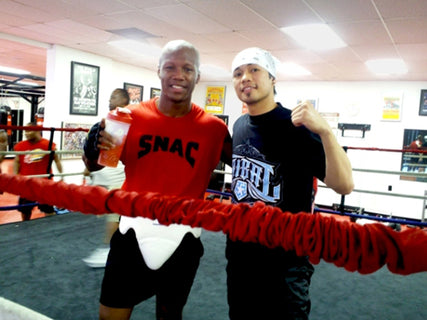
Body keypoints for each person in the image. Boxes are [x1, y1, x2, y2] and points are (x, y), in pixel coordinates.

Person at [82, 40, 232, 320]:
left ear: (198, 76)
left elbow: (250, 167)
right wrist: (89, 150)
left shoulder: (215, 129)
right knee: (109, 315)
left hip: (184, 237)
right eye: (170, 67)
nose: (179, 75)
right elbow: (96, 167)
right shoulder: (125, 119)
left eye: (187, 68)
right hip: (131, 234)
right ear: (159, 72)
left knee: (169, 315)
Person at [226, 47, 354, 320]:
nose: (245, 77)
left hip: (284, 261)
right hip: (241, 256)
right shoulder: (238, 126)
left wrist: (325, 131)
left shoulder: (296, 126)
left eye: (254, 70)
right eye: (238, 73)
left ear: (272, 79)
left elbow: (344, 185)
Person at [82, 88, 130, 268]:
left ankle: (108, 250)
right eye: (110, 96)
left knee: (114, 215)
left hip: (119, 177)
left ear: (124, 100)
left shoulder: (129, 123)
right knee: (115, 215)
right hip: (104, 177)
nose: (110, 100)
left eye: (114, 97)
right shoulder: (105, 122)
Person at [13, 122, 63, 221]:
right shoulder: (20, 146)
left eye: (29, 131)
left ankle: (51, 233)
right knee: (25, 212)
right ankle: (25, 231)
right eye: (25, 131)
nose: (26, 134)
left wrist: (62, 176)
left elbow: (56, 160)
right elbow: (17, 162)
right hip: (26, 184)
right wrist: (15, 178)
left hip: (44, 184)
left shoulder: (48, 145)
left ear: (37, 131)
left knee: (49, 211)